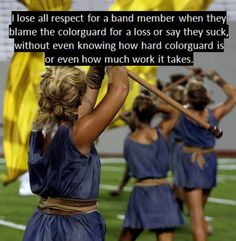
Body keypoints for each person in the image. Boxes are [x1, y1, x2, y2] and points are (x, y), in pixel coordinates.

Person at [22, 65, 130, 241]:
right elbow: (121, 88)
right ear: (78, 96)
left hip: (41, 225)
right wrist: (113, 61)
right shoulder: (78, 134)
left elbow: (86, 101)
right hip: (75, 228)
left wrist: (96, 71)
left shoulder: (43, 126)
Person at [174, 71, 236, 241]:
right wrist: (216, 77)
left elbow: (156, 104)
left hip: (192, 162)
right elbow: (234, 95)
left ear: (189, 99)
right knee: (198, 212)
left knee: (196, 215)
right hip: (209, 162)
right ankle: (203, 227)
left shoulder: (182, 112)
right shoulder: (215, 113)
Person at [118, 95, 184, 241]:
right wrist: (153, 105)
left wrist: (134, 111)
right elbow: (175, 111)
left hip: (142, 193)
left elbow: (129, 121)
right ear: (152, 113)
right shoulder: (162, 132)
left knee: (126, 237)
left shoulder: (130, 140)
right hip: (163, 192)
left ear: (135, 113)